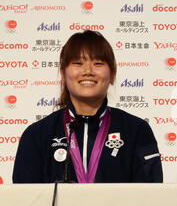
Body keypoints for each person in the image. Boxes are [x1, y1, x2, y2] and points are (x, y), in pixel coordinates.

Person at [13, 30, 163, 183]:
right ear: (63, 74)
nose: (88, 71)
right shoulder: (36, 135)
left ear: (112, 74)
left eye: (98, 63)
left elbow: (150, 198)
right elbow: (25, 201)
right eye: (78, 63)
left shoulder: (137, 130)